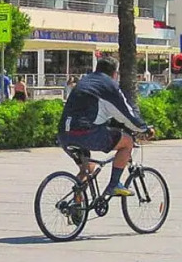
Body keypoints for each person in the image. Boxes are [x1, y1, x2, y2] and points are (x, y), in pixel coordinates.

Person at [57, 56, 150, 196]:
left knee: (88, 168)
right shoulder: (109, 85)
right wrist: (144, 129)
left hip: (65, 134)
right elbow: (126, 114)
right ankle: (114, 185)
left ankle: (75, 207)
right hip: (86, 133)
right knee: (127, 142)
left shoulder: (85, 81)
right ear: (114, 73)